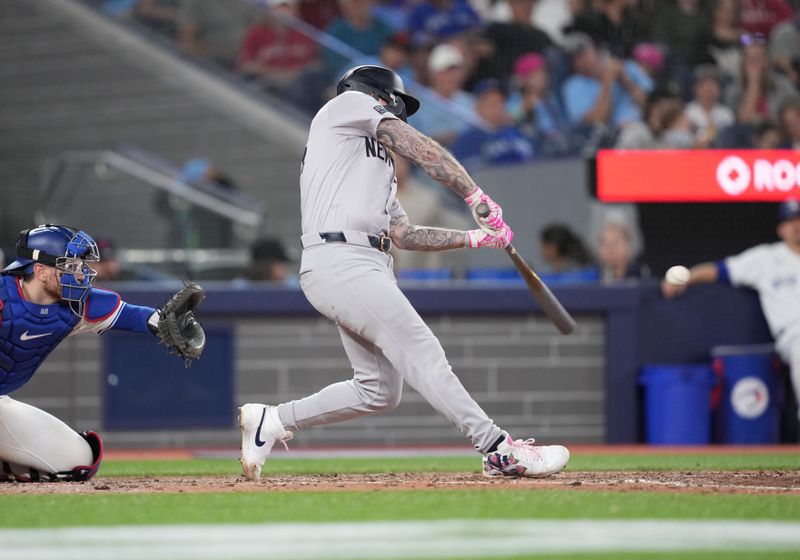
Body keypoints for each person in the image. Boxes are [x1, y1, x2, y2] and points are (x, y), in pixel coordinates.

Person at [238, 64, 570, 482]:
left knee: (378, 391)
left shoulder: (373, 166)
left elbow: (405, 234)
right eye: (393, 103)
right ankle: (496, 449)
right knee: (423, 350)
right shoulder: (345, 105)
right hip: (341, 257)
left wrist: (474, 238)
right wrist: (475, 194)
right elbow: (417, 145)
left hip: (364, 262)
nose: (397, 112)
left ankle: (272, 420)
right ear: (376, 94)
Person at [0, 225, 205, 482]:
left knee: (79, 460)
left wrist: (160, 321)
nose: (80, 274)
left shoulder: (75, 307)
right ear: (40, 271)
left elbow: (132, 315)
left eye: (81, 266)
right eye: (70, 266)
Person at [661, 199, 800, 426]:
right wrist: (687, 277)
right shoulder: (766, 258)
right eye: (790, 221)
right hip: (794, 333)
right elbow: (721, 270)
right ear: (780, 229)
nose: (796, 226)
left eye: (799, 220)